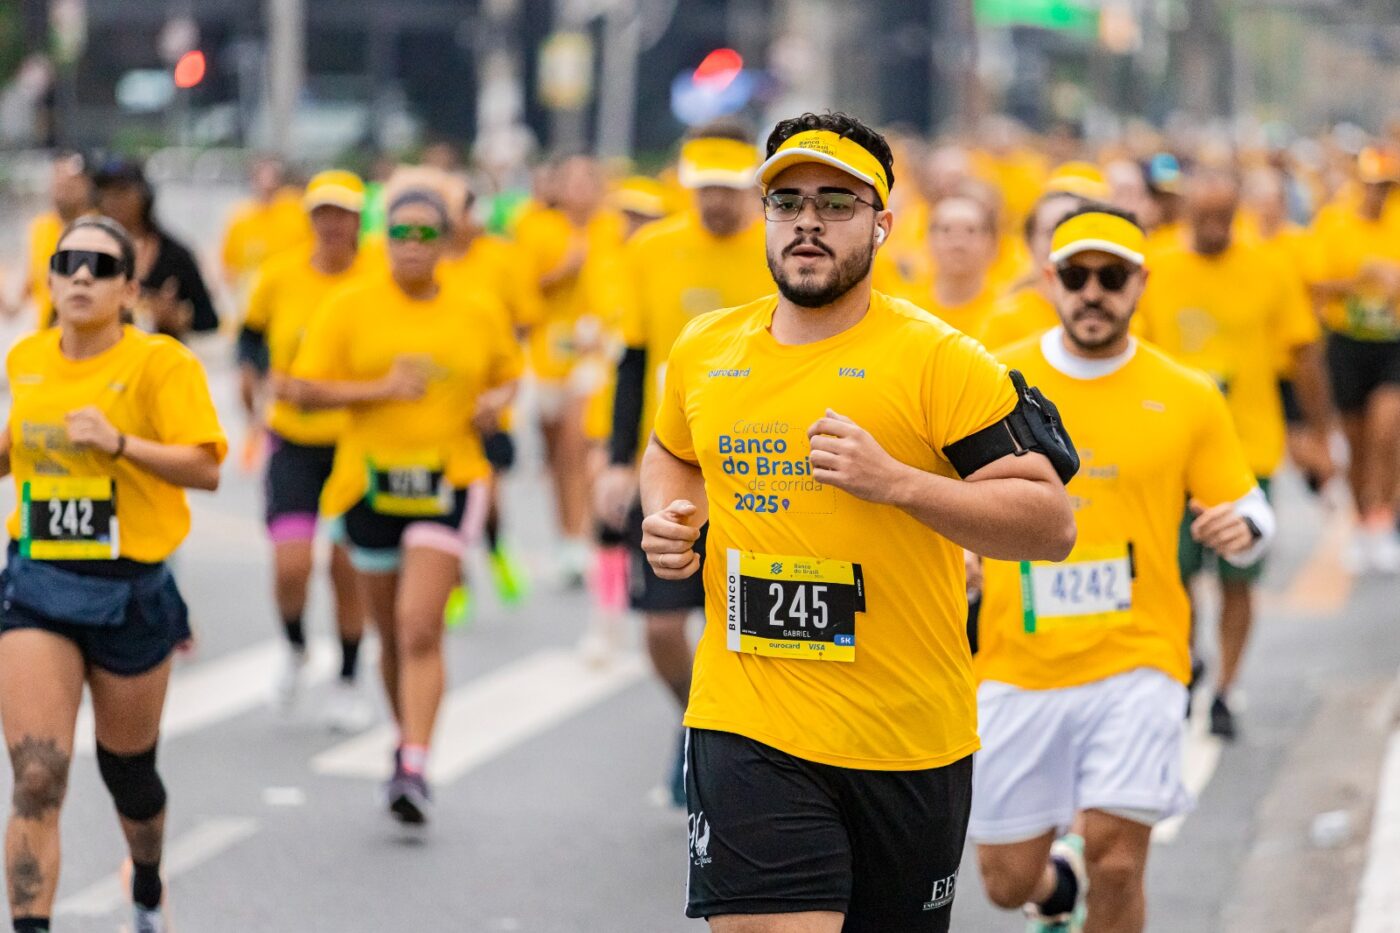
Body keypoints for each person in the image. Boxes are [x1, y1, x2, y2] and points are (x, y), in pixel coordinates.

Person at [641, 111, 1076, 932]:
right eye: (787, 201)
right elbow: (671, 450)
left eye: (837, 203)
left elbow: (1048, 523)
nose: (807, 221)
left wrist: (900, 483)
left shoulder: (939, 359)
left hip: (906, 737)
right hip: (748, 720)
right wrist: (669, 514)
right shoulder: (706, 349)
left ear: (882, 223)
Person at [971, 205, 1275, 933]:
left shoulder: (1186, 392)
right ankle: (1056, 887)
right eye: (1076, 275)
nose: (1092, 292)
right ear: (1050, 280)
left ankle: (1088, 876)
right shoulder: (995, 379)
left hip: (1141, 657)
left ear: (1141, 283)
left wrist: (1243, 530)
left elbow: (1249, 510)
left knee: (1117, 861)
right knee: (1006, 882)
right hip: (1016, 664)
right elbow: (943, 487)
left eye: (1112, 277)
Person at [0, 216, 226, 933]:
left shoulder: (161, 364)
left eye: (101, 267)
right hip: (39, 583)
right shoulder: (28, 359)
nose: (82, 276)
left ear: (129, 289)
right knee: (37, 775)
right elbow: (16, 447)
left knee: (129, 774)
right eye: (68, 262)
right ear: (50, 280)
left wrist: (120, 442)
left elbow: (206, 467)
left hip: (131, 590)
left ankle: (147, 881)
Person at [283, 189, 522, 825]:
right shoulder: (349, 305)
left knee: (420, 624)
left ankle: (414, 762)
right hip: (368, 486)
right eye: (400, 233)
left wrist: (494, 404)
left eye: (425, 234)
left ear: (445, 242)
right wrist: (379, 388)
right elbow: (301, 390)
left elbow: (508, 373)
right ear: (382, 240)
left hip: (450, 479)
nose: (412, 245)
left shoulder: (476, 308)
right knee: (390, 631)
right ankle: (403, 738)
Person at [593, 120, 770, 805]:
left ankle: (734, 747)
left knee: (749, 625)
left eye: (729, 188)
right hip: (670, 461)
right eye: (705, 189)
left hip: (758, 465)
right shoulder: (652, 250)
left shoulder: (775, 247)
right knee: (663, 628)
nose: (716, 201)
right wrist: (616, 460)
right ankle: (696, 722)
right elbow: (633, 358)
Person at [1137, 168, 1333, 737]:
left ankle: (1226, 687)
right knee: (1176, 575)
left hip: (1249, 449)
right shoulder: (1156, 267)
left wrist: (1317, 433)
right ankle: (1186, 664)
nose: (1214, 228)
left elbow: (1303, 354)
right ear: (1186, 213)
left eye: (1224, 217)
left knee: (1238, 576)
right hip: (1170, 450)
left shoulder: (1269, 268)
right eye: (1204, 217)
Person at [237, 170, 371, 727]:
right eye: (323, 213)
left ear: (359, 220)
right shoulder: (280, 274)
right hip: (292, 439)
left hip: (355, 444)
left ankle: (348, 677)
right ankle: (295, 647)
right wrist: (255, 382)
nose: (332, 225)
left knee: (346, 567)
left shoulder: (377, 276)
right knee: (291, 566)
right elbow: (251, 336)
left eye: (343, 214)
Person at [513, 155, 623, 586]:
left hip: (594, 352)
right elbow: (522, 291)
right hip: (547, 352)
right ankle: (566, 535)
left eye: (587, 180)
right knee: (556, 453)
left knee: (577, 444)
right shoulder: (536, 227)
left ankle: (584, 537)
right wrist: (563, 270)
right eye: (571, 181)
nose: (580, 189)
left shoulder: (613, 226)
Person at [1307, 146, 1400, 571]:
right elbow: (1316, 284)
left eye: (1388, 187)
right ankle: (1363, 521)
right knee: (1358, 440)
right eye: (1375, 186)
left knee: (1388, 427)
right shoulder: (1335, 221)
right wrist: (1359, 279)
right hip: (1348, 341)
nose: (1380, 195)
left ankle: (1384, 517)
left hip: (1393, 341)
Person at [92, 160, 218, 340]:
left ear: (144, 195)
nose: (113, 201)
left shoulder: (174, 254)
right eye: (106, 194)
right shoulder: (89, 249)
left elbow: (208, 318)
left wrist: (178, 316)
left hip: (159, 352)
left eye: (122, 192)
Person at [980, 189, 1088, 351]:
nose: (1061, 241)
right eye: (1050, 232)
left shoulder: (1115, 314)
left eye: (1071, 229)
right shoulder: (1003, 320)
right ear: (1030, 243)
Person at [11, 152, 92, 330]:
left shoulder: (99, 230)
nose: (62, 187)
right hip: (47, 336)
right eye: (58, 180)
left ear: (85, 184)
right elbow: (30, 286)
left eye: (70, 182)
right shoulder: (40, 227)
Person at [219, 155, 311, 294]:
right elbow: (228, 260)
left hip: (291, 285)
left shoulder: (295, 207)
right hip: (254, 288)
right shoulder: (241, 217)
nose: (267, 185)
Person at [921, 193, 1001, 338]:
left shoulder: (1006, 313)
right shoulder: (906, 312)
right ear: (928, 240)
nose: (958, 243)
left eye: (971, 231)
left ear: (992, 244)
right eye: (946, 230)